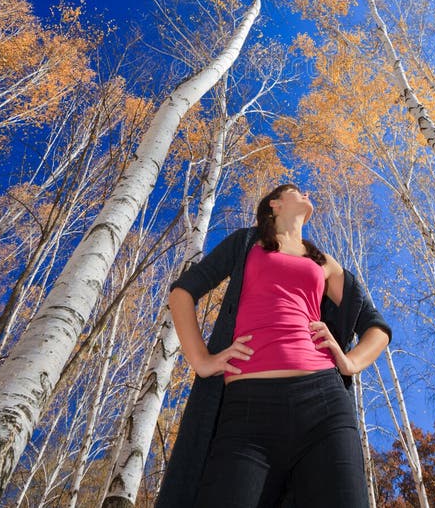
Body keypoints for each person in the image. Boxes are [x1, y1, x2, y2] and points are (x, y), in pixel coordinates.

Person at [155, 183, 392, 508]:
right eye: (296, 190)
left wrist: (349, 362)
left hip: (324, 404)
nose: (307, 192)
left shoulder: (322, 262)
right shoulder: (246, 243)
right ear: (275, 205)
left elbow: (376, 327)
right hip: (247, 409)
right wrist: (202, 360)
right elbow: (183, 292)